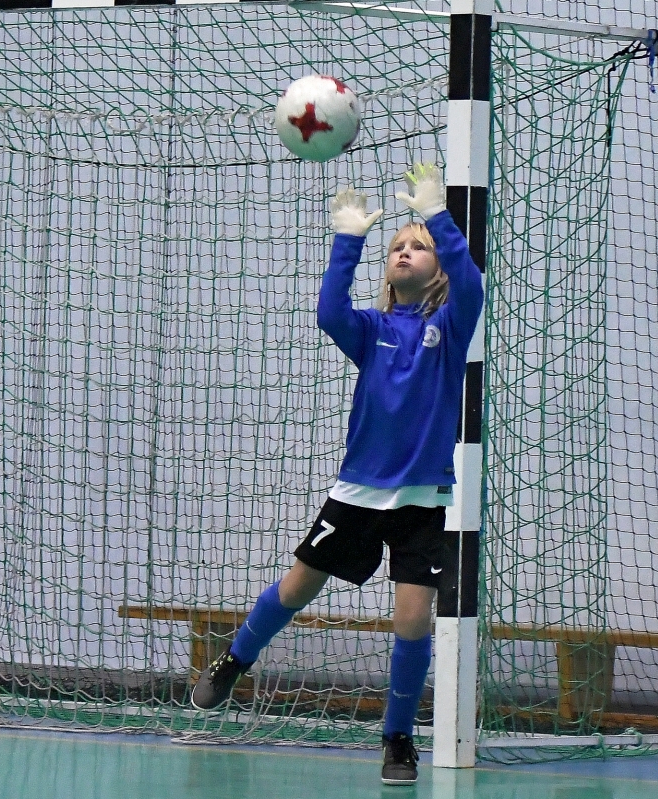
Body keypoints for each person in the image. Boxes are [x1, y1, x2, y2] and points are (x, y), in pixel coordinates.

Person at [190, 163, 483, 786]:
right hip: (355, 494)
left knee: (412, 619)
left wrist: (437, 217)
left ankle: (398, 738)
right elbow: (330, 311)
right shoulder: (371, 329)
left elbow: (472, 284)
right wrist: (348, 239)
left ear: (438, 269)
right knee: (297, 588)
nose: (404, 252)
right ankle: (235, 660)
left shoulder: (450, 328)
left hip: (421, 498)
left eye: (417, 246)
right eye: (396, 247)